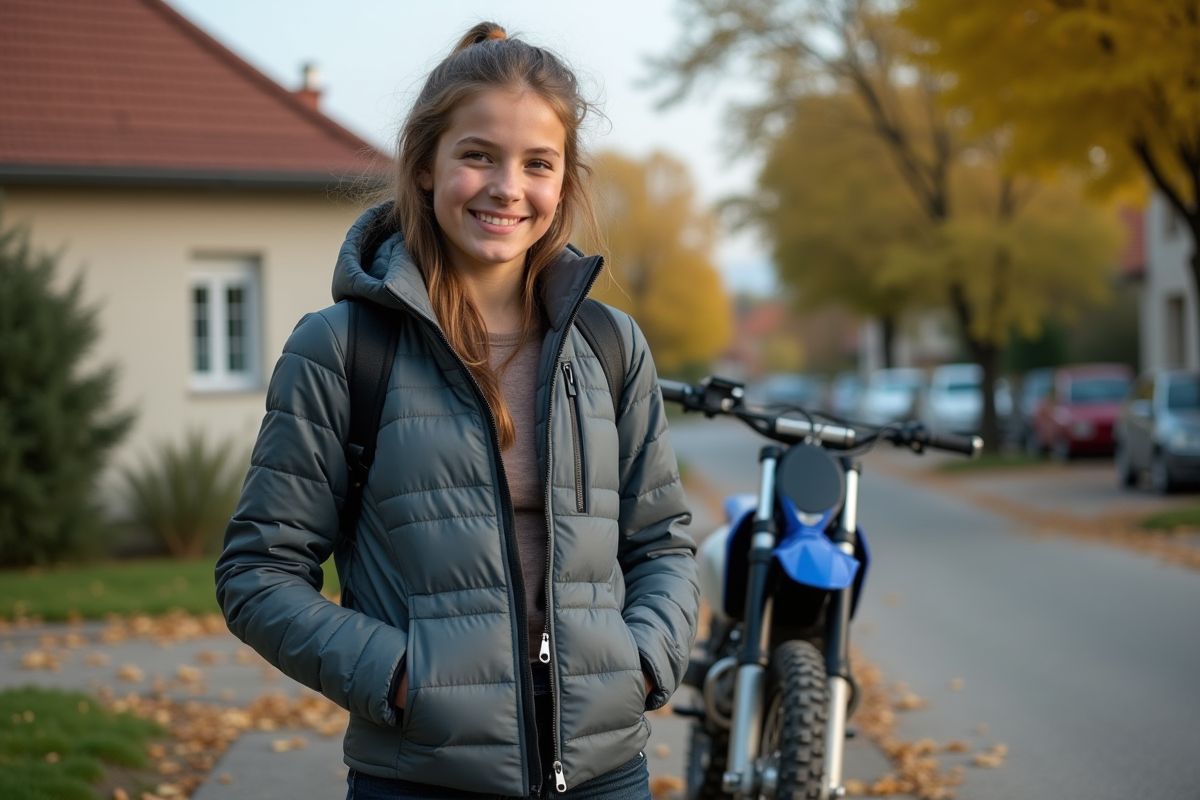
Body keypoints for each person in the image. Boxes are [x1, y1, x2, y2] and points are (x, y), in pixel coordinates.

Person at [215, 22, 699, 800]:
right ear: (425, 166)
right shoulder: (343, 349)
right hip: (422, 777)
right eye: (478, 155)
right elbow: (258, 573)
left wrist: (640, 664)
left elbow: (662, 545)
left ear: (564, 182)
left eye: (537, 164)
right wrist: (407, 680)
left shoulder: (609, 345)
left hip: (608, 775)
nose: (508, 187)